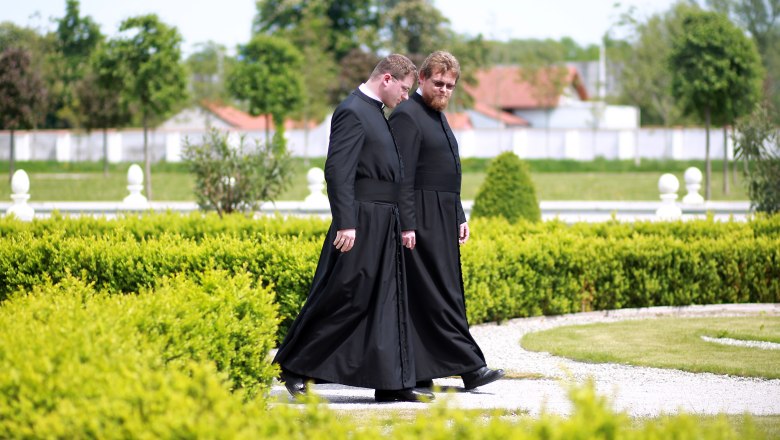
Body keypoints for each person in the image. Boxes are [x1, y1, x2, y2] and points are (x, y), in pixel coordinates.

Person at [273, 54, 434, 403]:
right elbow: (338, 170)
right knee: (347, 295)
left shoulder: (375, 112)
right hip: (361, 220)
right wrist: (346, 222)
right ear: (387, 79)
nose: (406, 97)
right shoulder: (352, 110)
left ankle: (393, 383)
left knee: (388, 302)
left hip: (385, 219)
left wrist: (404, 222)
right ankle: (296, 365)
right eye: (404, 89)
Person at [388, 51, 505, 390]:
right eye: (437, 83)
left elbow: (447, 171)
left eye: (449, 85)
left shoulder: (436, 114)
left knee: (440, 294)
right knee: (437, 296)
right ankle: (469, 368)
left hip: (441, 216)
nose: (443, 90)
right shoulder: (407, 115)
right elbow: (403, 176)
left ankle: (424, 374)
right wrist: (407, 224)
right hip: (420, 219)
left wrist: (458, 214)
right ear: (421, 79)